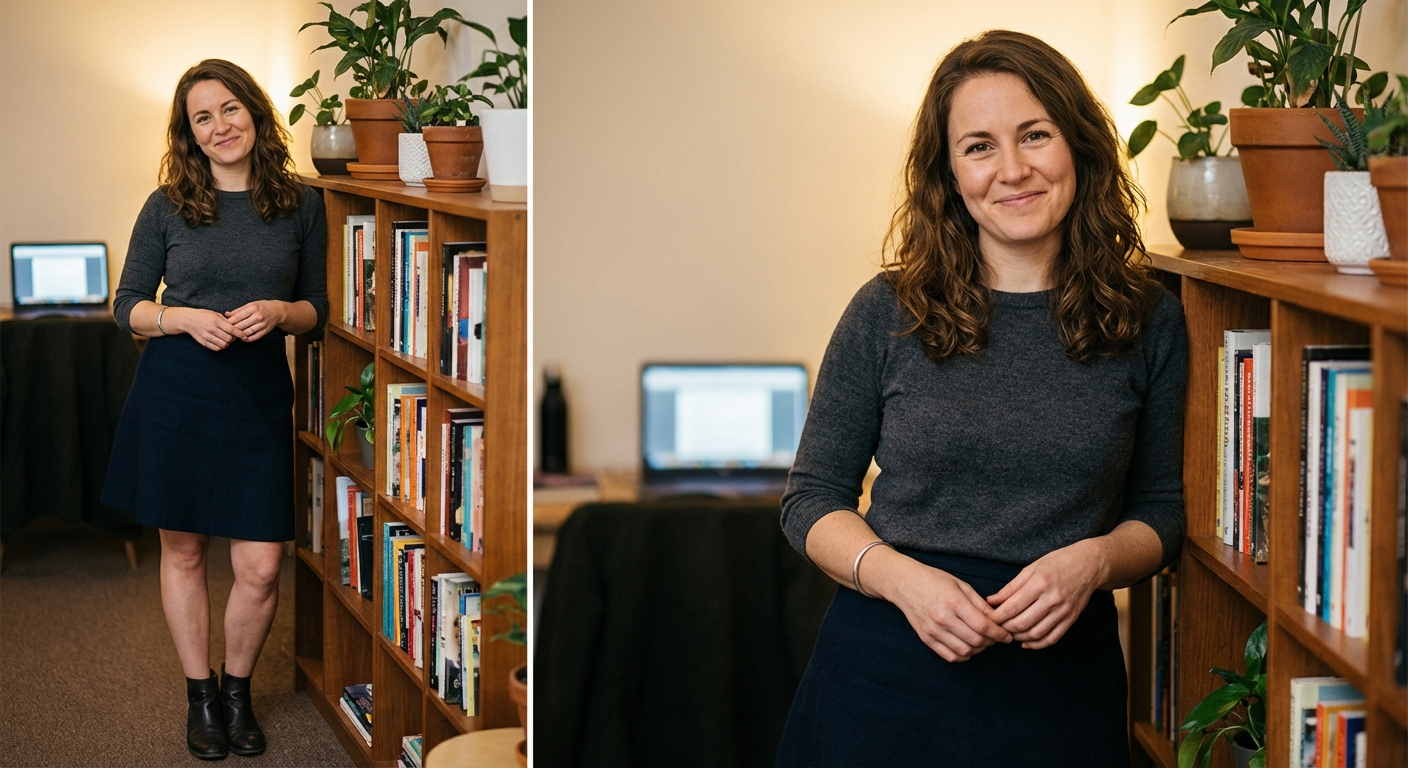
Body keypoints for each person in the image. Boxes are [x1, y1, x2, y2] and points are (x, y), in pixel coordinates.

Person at [775, 30, 1187, 768]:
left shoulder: (1150, 318)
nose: (1014, 169)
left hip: (1062, 687)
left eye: (1036, 135)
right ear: (949, 175)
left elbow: (1159, 512)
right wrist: (903, 581)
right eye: (979, 146)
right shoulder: (886, 309)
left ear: (1079, 146)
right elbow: (810, 499)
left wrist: (1092, 562)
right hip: (883, 674)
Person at [102, 59, 327, 761]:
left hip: (257, 397)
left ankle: (238, 691)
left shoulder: (302, 203)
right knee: (186, 550)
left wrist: (281, 310)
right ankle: (201, 698)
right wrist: (183, 319)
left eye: (230, 109)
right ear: (189, 134)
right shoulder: (166, 204)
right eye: (203, 117)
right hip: (175, 394)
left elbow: (317, 311)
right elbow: (127, 305)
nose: (220, 126)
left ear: (255, 113)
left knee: (261, 564)